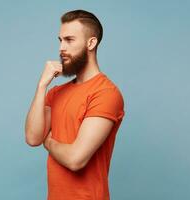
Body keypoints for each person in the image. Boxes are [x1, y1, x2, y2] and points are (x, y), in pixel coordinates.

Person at [25, 9, 125, 200]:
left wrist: (49, 142)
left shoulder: (106, 93)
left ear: (91, 42)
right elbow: (32, 137)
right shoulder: (56, 92)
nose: (62, 48)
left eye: (69, 40)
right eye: (60, 40)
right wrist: (41, 86)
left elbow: (75, 159)